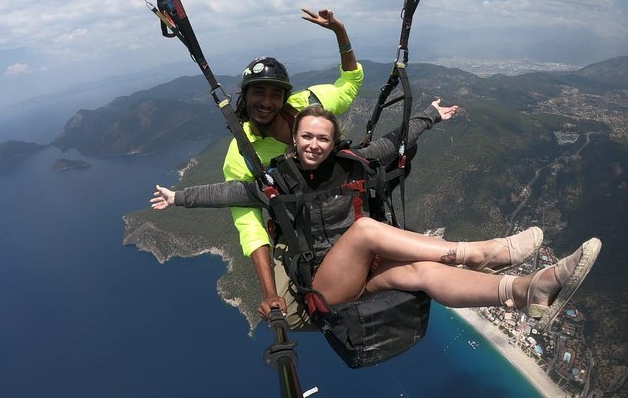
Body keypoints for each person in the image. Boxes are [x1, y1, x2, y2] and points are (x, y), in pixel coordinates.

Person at [152, 105, 602, 333]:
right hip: (325, 288)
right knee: (365, 229)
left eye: (322, 138)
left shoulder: (350, 162)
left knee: (426, 272)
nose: (313, 145)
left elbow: (393, 140)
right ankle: (482, 252)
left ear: (333, 142)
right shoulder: (278, 182)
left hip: (363, 273)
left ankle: (527, 291)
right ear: (295, 140)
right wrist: (179, 197)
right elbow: (229, 192)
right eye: (306, 136)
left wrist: (432, 116)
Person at [223, 7, 363, 324]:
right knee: (297, 318)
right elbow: (248, 221)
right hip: (300, 230)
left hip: (339, 209)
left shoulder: (308, 105)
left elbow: (350, 84)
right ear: (244, 97)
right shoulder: (241, 153)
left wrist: (339, 32)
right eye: (258, 92)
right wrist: (269, 292)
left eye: (275, 94)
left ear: (286, 97)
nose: (266, 101)